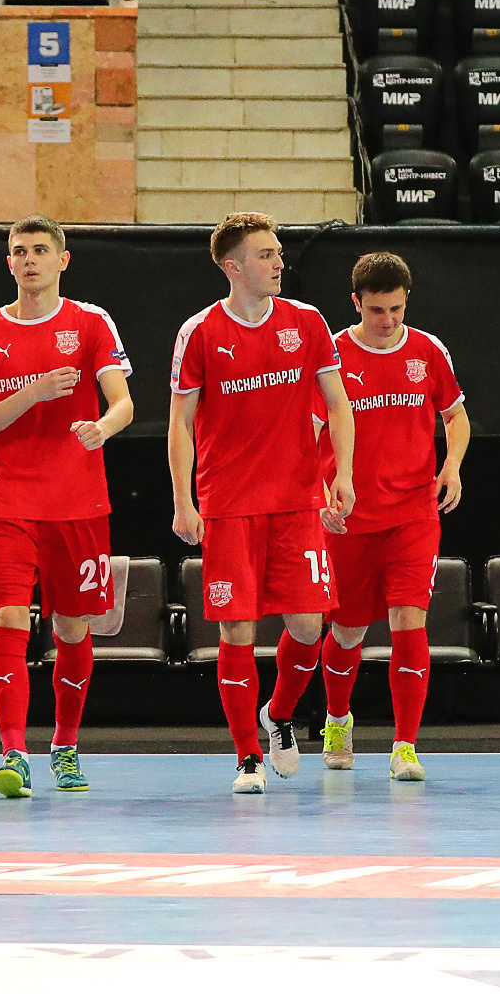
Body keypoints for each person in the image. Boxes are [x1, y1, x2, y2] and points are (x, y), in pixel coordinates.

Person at [169, 212, 355, 794]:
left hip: (297, 500)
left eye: (278, 252)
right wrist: (183, 500)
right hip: (228, 504)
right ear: (233, 266)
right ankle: (247, 756)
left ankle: (278, 714)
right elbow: (180, 423)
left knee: (308, 623)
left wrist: (343, 475)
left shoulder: (307, 321)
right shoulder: (199, 332)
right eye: (266, 254)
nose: (279, 263)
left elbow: (338, 403)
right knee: (237, 631)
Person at [0, 215, 133, 798]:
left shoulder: (90, 322)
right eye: (18, 251)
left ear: (63, 259)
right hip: (7, 502)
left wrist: (103, 428)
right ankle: (14, 753)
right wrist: (31, 393)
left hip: (78, 501)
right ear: (8, 262)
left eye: (39, 249)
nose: (28, 259)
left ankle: (65, 746)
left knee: (72, 627)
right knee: (9, 618)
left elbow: (124, 402)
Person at [310, 252, 468, 781]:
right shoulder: (331, 353)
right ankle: (337, 719)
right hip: (350, 518)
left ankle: (405, 745)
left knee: (409, 623)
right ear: (356, 303)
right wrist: (320, 495)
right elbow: (306, 434)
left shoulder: (428, 350)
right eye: (377, 310)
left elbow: (456, 416)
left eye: (397, 309)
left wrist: (452, 464)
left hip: (414, 514)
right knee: (348, 630)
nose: (388, 320)